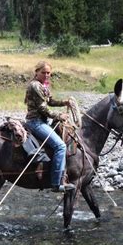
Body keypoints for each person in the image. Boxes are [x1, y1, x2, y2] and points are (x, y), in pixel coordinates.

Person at [24, 61, 75, 193]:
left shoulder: (44, 85)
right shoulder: (35, 86)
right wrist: (58, 116)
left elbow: (50, 101)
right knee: (60, 146)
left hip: (42, 121)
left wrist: (64, 102)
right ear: (36, 72)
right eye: (44, 72)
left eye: (49, 73)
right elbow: (42, 108)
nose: (47, 75)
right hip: (35, 122)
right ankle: (56, 183)